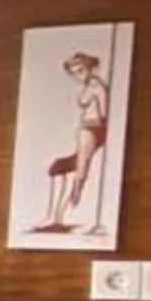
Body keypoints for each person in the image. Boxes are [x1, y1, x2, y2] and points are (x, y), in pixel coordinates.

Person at [35, 49, 111, 233]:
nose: (77, 75)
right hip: (90, 129)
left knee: (77, 169)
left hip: (90, 128)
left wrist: (95, 123)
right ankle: (56, 216)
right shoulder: (94, 84)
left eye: (80, 70)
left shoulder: (95, 86)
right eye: (74, 72)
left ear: (89, 68)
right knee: (62, 168)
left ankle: (59, 215)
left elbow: (103, 113)